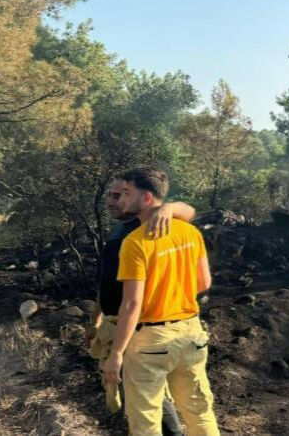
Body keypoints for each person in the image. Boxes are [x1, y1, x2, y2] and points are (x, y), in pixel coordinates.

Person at [100, 168, 220, 436]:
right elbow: (204, 284)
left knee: (146, 422)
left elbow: (132, 305)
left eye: (127, 193)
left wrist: (116, 354)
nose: (121, 199)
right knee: (199, 411)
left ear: (146, 198)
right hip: (191, 333)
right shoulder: (190, 232)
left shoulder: (134, 242)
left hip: (150, 340)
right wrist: (174, 293)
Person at [86, 177, 196, 433]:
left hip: (142, 329)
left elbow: (189, 212)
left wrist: (169, 208)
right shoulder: (118, 233)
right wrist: (95, 321)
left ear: (140, 198)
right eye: (111, 195)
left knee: (150, 396)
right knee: (141, 396)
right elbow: (108, 285)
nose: (112, 201)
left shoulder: (151, 226)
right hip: (118, 326)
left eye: (120, 195)